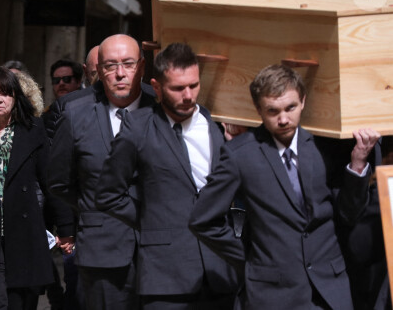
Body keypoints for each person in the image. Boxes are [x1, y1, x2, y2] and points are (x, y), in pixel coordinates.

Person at [188, 64, 380, 310]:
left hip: (328, 290)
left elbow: (349, 214)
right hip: (273, 293)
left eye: (290, 108)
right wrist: (249, 258)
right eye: (273, 111)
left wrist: (357, 164)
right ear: (258, 110)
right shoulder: (240, 155)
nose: (283, 119)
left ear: (303, 101)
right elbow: (202, 219)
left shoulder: (324, 148)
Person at [95, 43, 238, 309]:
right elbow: (108, 194)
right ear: (157, 87)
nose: (188, 95)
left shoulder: (212, 124)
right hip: (165, 275)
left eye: (194, 85)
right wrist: (151, 220)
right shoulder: (138, 127)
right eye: (177, 88)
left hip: (220, 272)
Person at [48, 34, 156, 310]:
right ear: (98, 70)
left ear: (142, 67)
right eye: (110, 66)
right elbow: (59, 181)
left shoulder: (162, 106)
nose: (120, 73)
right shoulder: (75, 113)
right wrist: (93, 205)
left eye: (128, 64)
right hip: (101, 251)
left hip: (160, 248)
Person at [0, 66, 71, 310]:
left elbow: (51, 181)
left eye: (5, 93)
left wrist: (65, 227)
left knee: (21, 303)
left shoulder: (33, 130)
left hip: (24, 233)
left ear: (15, 97)